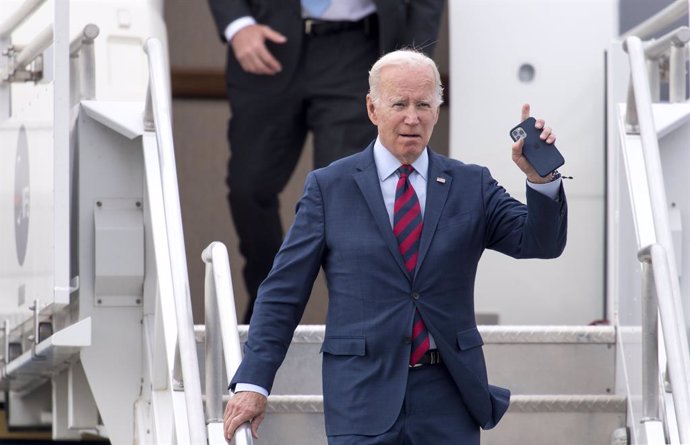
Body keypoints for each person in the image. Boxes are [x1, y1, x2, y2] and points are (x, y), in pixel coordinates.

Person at [223, 50, 568, 444]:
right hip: (361, 394)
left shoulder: (471, 184)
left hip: (449, 395)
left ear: (437, 110)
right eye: (399, 104)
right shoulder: (329, 187)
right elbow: (283, 292)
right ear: (372, 109)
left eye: (424, 104)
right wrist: (253, 382)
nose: (412, 117)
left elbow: (540, 243)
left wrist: (542, 179)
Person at [207, 0, 445, 323]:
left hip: (359, 50)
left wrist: (412, 60)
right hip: (267, 44)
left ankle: (357, 323)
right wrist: (237, 23)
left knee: (348, 197)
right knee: (249, 187)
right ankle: (268, 307)